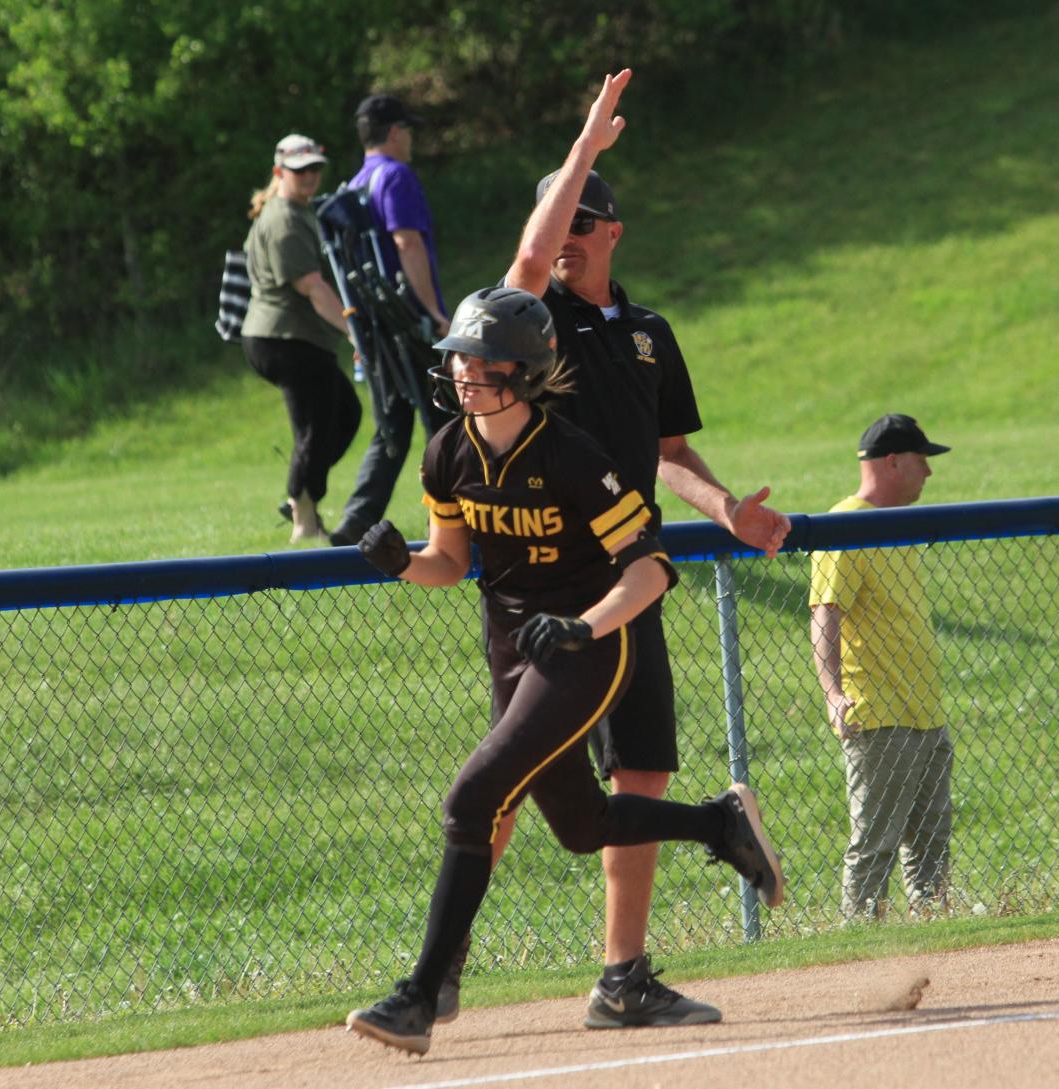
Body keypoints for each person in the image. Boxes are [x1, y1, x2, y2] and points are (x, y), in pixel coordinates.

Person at [431, 69, 791, 1031]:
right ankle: (442, 964)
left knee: (641, 774)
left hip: (629, 591)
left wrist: (725, 509)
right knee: (503, 781)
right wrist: (583, 148)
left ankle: (621, 975)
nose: (566, 232)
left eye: (583, 215)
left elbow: (668, 453)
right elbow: (528, 254)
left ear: (614, 230)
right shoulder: (528, 332)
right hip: (538, 601)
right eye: (557, 217)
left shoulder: (644, 333)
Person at [344, 286, 785, 1057]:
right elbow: (449, 563)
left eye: (480, 361)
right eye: (460, 360)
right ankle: (717, 823)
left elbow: (648, 571)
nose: (463, 372)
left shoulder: (572, 455)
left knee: (473, 795)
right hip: (514, 650)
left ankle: (417, 997)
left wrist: (583, 625)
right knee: (583, 827)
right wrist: (401, 564)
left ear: (524, 370)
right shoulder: (448, 448)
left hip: (586, 649)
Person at [808, 413, 955, 920]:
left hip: (926, 711)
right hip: (880, 712)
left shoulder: (898, 525)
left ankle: (931, 929)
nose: (928, 475)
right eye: (921, 462)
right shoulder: (846, 522)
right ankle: (860, 945)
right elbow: (825, 612)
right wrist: (833, 693)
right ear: (892, 462)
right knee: (876, 843)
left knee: (932, 843)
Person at [327, 94, 452, 547]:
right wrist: (432, 313)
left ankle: (355, 524)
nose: (412, 139)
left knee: (393, 424)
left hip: (376, 325)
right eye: (409, 130)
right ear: (395, 131)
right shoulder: (395, 177)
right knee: (448, 417)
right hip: (408, 321)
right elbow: (407, 244)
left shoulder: (353, 185)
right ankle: (461, 520)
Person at [241, 134, 361, 543]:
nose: (309, 176)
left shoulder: (298, 210)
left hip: (298, 338)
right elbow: (313, 288)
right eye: (299, 170)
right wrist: (354, 332)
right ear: (280, 173)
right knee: (315, 429)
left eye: (315, 168)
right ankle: (304, 524)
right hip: (283, 338)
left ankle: (300, 501)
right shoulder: (283, 220)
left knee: (345, 417)